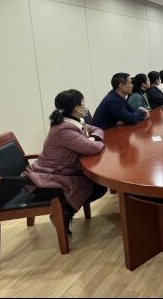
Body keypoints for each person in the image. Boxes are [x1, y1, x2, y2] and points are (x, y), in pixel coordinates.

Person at [23, 90, 107, 234]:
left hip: (60, 171)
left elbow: (97, 129)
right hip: (46, 178)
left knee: (97, 184)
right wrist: (93, 141)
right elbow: (93, 148)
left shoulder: (72, 121)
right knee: (98, 186)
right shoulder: (63, 129)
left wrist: (93, 138)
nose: (85, 106)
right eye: (83, 103)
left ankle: (65, 214)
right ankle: (63, 215)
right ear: (77, 108)